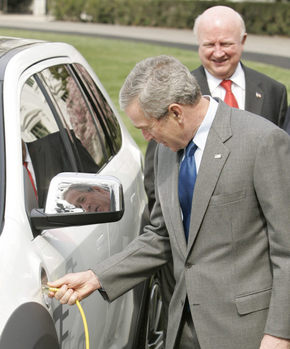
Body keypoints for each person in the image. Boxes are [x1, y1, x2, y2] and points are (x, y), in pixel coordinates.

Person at [48, 55, 290, 349]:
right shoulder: (165, 151)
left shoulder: (263, 142)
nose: (146, 136)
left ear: (175, 113)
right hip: (182, 329)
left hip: (245, 333)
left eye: (146, 127)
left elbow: (286, 249)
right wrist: (97, 277)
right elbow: (163, 235)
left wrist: (280, 332)